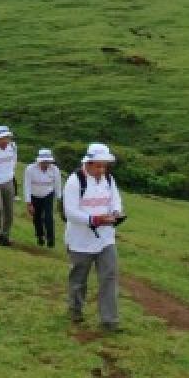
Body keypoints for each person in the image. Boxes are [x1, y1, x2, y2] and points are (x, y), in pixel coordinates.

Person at [62, 142, 124, 331]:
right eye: (98, 165)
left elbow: (116, 200)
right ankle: (75, 310)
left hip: (105, 238)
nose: (101, 169)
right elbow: (70, 212)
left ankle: (109, 321)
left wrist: (115, 213)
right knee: (79, 278)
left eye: (104, 166)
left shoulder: (109, 180)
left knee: (109, 276)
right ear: (88, 164)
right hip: (80, 240)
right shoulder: (75, 181)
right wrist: (94, 219)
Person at [24, 148, 62, 247]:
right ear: (39, 160)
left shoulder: (55, 169)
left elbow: (57, 185)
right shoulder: (30, 169)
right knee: (36, 218)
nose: (45, 163)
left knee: (48, 217)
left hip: (48, 194)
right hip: (34, 195)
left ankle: (50, 239)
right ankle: (40, 236)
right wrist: (29, 203)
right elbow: (27, 186)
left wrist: (59, 199)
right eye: (44, 161)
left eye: (47, 161)